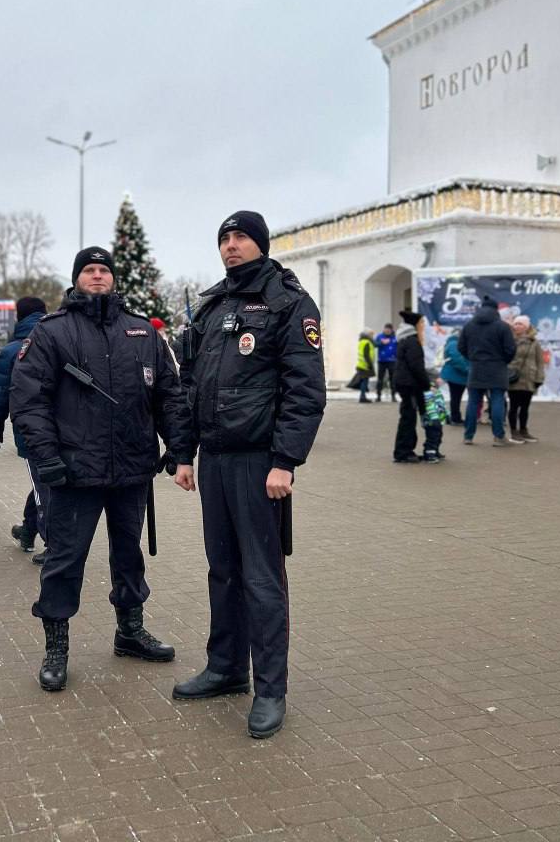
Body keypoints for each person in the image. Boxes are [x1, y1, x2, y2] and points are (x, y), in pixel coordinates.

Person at [11, 246, 194, 694]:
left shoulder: (141, 332)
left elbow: (168, 393)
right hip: (74, 473)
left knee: (128, 556)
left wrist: (180, 447)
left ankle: (129, 631)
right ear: (76, 279)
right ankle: (56, 648)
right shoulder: (53, 332)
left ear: (113, 278)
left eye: (104, 270)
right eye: (89, 270)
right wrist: (46, 457)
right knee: (64, 561)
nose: (97, 276)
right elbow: (29, 401)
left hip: (131, 470)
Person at [173, 211, 326, 740]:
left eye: (239, 237)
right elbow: (191, 384)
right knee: (224, 570)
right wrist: (184, 453)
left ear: (259, 243)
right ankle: (226, 667)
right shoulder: (214, 306)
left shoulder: (288, 301)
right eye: (224, 238)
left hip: (261, 463)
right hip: (214, 460)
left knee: (262, 577)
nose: (230, 246)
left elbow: (305, 390)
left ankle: (271, 689)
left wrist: (286, 460)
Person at [0, 296, 50, 560]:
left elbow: (2, 392)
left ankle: (54, 544)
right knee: (44, 483)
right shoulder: (61, 339)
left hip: (30, 429)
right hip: (66, 427)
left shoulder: (14, 349)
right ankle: (28, 529)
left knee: (43, 487)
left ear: (19, 316)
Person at [458, 296, 517, 447]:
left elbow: (461, 347)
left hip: (476, 368)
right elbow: (510, 349)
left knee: (473, 402)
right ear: (496, 310)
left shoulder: (469, 325)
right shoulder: (502, 326)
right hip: (497, 369)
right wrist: (503, 361)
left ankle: (468, 436)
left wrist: (472, 358)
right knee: (497, 401)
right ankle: (498, 437)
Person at [392, 311, 434, 463]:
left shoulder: (404, 340)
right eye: (421, 323)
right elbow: (416, 366)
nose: (423, 326)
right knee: (408, 418)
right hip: (409, 385)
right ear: (415, 325)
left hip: (404, 384)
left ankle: (404, 450)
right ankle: (403, 451)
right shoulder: (412, 342)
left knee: (407, 417)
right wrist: (426, 384)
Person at [507, 315, 545, 441]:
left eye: (520, 324)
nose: (517, 326)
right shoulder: (508, 340)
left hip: (529, 379)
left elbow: (540, 362)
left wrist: (539, 378)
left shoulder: (534, 343)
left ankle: (523, 430)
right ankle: (514, 431)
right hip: (513, 378)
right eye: (516, 323)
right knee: (513, 406)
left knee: (525, 407)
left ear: (527, 327)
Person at [440, 330, 469, 425]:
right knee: (456, 397)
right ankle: (455, 418)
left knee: (455, 397)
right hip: (456, 375)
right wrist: (467, 369)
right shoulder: (454, 344)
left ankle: (455, 417)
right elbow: (457, 360)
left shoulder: (451, 343)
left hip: (455, 375)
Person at [346, 330, 376, 403]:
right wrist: (370, 365)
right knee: (364, 382)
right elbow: (366, 355)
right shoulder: (367, 342)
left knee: (363, 381)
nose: (372, 336)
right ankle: (362, 397)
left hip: (361, 364)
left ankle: (363, 396)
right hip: (365, 366)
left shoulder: (362, 341)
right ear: (368, 335)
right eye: (371, 334)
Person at [374, 323, 398, 402]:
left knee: (393, 379)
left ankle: (393, 396)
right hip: (382, 361)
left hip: (392, 361)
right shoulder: (380, 336)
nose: (387, 331)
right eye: (386, 329)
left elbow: (399, 347)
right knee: (380, 379)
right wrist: (381, 343)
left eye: (389, 330)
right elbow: (374, 344)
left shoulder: (395, 337)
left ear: (391, 330)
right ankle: (378, 396)